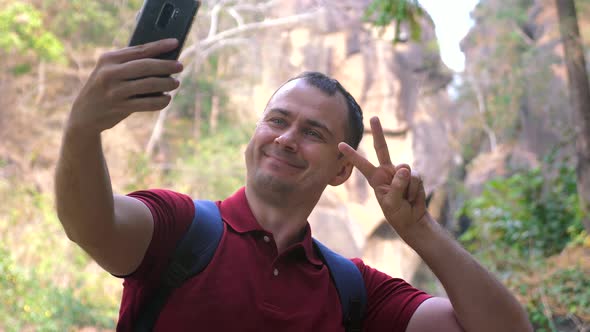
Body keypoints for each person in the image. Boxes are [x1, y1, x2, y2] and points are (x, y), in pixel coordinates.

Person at [55, 39, 532, 331]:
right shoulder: (179, 228)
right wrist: (82, 129)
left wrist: (421, 230)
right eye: (277, 121)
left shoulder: (352, 289)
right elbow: (89, 223)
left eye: (313, 133)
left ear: (342, 171)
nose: (286, 139)